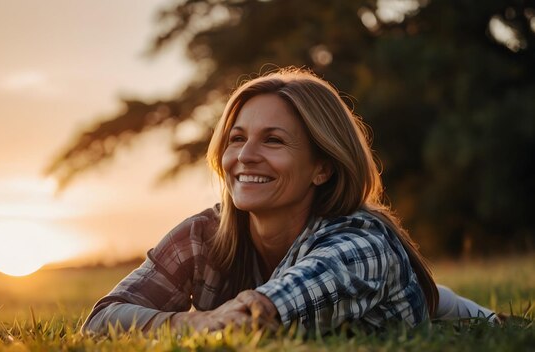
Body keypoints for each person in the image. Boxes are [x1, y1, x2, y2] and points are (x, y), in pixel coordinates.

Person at [82, 67, 496, 336]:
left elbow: (262, 318)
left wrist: (224, 318)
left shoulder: (362, 243)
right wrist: (193, 321)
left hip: (403, 304)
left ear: (323, 167)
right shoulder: (202, 234)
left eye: (274, 140)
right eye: (237, 138)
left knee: (442, 307)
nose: (244, 156)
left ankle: (471, 313)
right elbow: (102, 319)